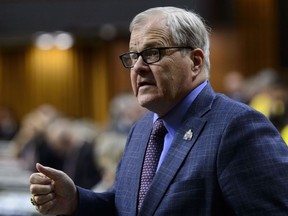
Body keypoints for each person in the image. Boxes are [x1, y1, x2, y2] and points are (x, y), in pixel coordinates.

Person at [29, 6, 288, 216]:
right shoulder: (142, 130)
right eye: (133, 56)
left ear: (195, 61)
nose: (138, 67)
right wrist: (75, 200)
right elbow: (126, 206)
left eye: (152, 53)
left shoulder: (238, 127)